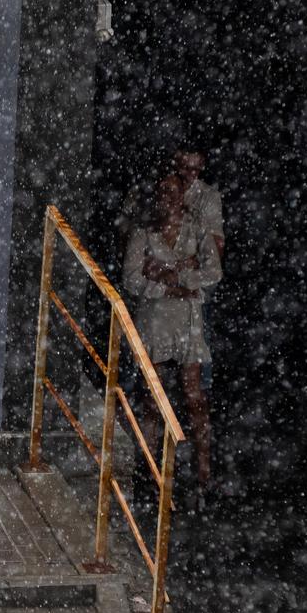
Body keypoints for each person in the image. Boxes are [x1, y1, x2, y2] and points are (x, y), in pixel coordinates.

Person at [121, 147, 224, 497]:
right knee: (153, 397)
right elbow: (132, 277)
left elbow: (213, 270)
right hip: (155, 318)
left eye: (173, 191)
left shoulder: (196, 229)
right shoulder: (144, 232)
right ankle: (150, 473)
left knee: (194, 396)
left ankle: (204, 472)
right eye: (162, 192)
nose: (168, 198)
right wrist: (163, 282)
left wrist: (179, 277)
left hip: (187, 319)